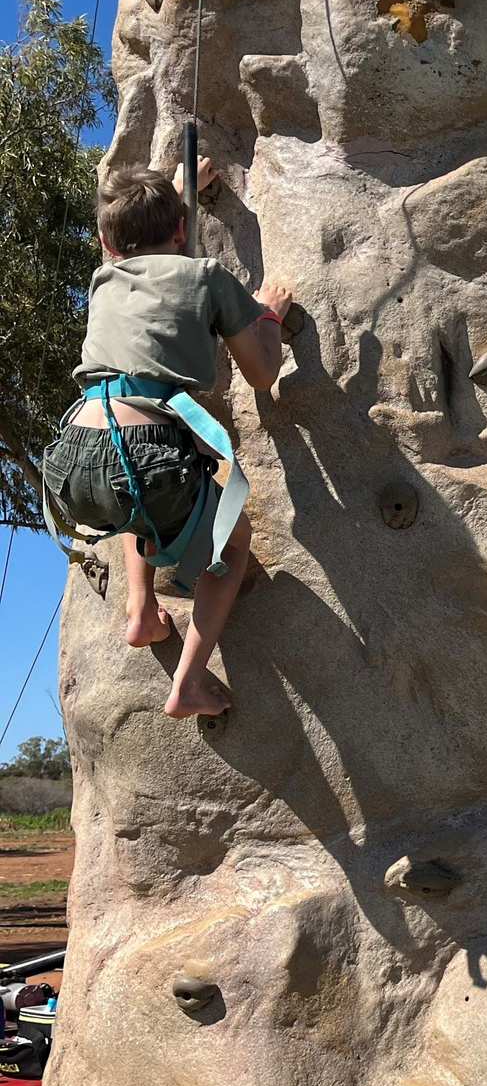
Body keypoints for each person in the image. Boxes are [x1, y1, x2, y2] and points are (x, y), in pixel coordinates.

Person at [41, 159, 292, 719]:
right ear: (180, 230)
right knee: (231, 542)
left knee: (140, 507)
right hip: (146, 452)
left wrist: (177, 189)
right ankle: (190, 682)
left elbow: (140, 249)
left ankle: (141, 612)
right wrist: (268, 317)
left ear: (107, 243)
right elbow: (260, 373)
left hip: (72, 453)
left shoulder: (103, 281)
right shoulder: (207, 277)